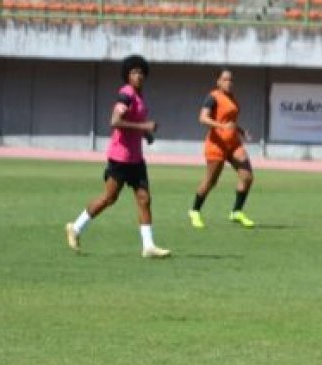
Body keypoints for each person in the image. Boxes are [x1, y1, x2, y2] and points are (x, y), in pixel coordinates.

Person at [64, 54, 170, 259]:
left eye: (141, 72)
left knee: (144, 199)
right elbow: (115, 121)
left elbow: (136, 122)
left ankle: (148, 246)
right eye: (134, 72)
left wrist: (146, 134)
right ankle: (75, 228)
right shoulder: (126, 94)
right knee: (109, 198)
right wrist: (144, 126)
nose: (138, 75)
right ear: (127, 76)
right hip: (120, 158)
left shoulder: (139, 97)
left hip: (136, 159)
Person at [189, 68, 256, 229]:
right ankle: (195, 211)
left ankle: (236, 212)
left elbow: (230, 122)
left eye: (231, 80)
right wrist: (221, 126)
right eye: (225, 79)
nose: (229, 82)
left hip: (233, 144)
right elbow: (203, 118)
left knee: (247, 177)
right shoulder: (213, 97)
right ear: (218, 82)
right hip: (216, 145)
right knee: (211, 181)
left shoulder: (232, 98)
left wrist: (241, 131)